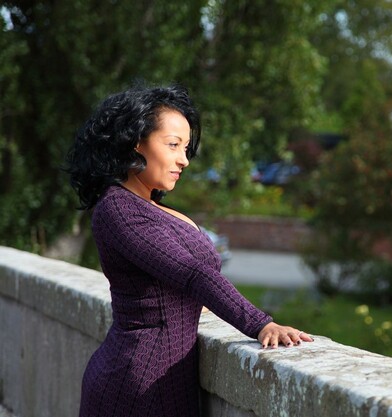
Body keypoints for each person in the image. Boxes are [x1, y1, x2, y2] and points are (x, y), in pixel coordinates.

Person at [66, 85, 313, 417]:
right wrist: (260, 324)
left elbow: (173, 282)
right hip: (136, 387)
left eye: (185, 148)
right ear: (136, 142)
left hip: (162, 379)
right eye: (172, 145)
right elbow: (192, 273)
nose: (183, 159)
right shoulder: (119, 209)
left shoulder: (148, 205)